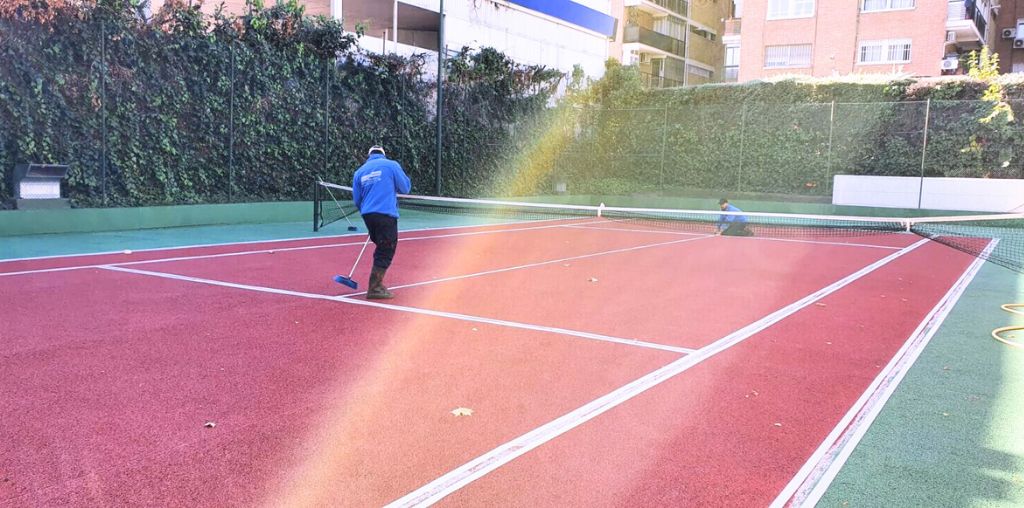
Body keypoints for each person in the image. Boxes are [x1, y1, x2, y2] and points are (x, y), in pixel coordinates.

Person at [351, 145, 412, 299]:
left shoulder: (359, 172)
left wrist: (368, 212)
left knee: (382, 247)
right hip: (385, 214)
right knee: (386, 249)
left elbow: (357, 200)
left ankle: (377, 284)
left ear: (369, 155)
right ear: (383, 154)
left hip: (368, 215)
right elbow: (405, 188)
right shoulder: (391, 165)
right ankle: (375, 287)